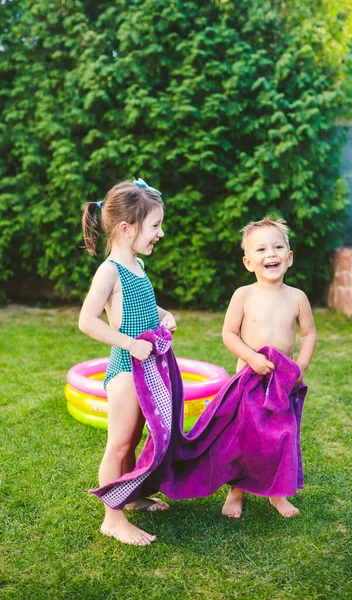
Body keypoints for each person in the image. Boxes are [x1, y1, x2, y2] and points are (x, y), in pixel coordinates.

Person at [79, 178, 177, 546]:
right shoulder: (110, 270)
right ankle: (112, 518)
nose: (160, 233)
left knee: (135, 438)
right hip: (124, 369)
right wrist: (129, 345)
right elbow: (87, 321)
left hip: (145, 368)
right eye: (155, 226)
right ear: (126, 228)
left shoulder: (135, 264)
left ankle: (132, 496)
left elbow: (142, 309)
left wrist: (164, 315)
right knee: (119, 445)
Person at [221, 216, 317, 519]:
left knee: (281, 438)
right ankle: (236, 491)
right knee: (245, 439)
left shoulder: (297, 297)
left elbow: (309, 334)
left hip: (281, 384)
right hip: (248, 382)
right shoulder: (243, 295)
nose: (270, 254)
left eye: (277, 247)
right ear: (249, 262)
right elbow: (229, 334)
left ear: (288, 258)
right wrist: (250, 357)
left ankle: (277, 494)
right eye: (261, 250)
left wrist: (299, 365)